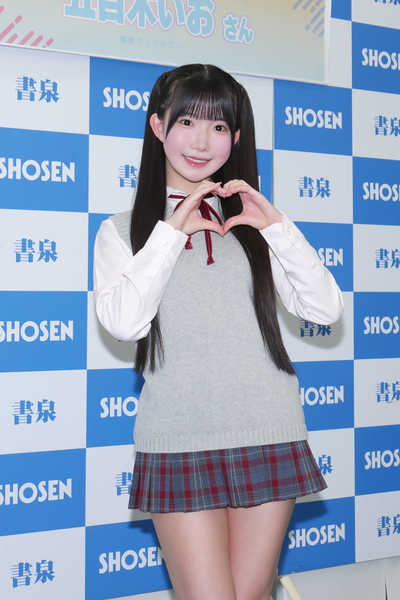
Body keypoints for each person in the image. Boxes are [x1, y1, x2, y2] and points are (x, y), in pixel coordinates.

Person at [93, 63, 343, 600]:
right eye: (187, 122)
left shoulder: (254, 225)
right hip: (178, 436)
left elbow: (324, 309)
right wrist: (169, 234)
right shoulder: (122, 231)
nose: (202, 142)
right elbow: (123, 323)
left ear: (236, 137)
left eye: (220, 126)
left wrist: (278, 229)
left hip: (267, 428)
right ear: (158, 126)